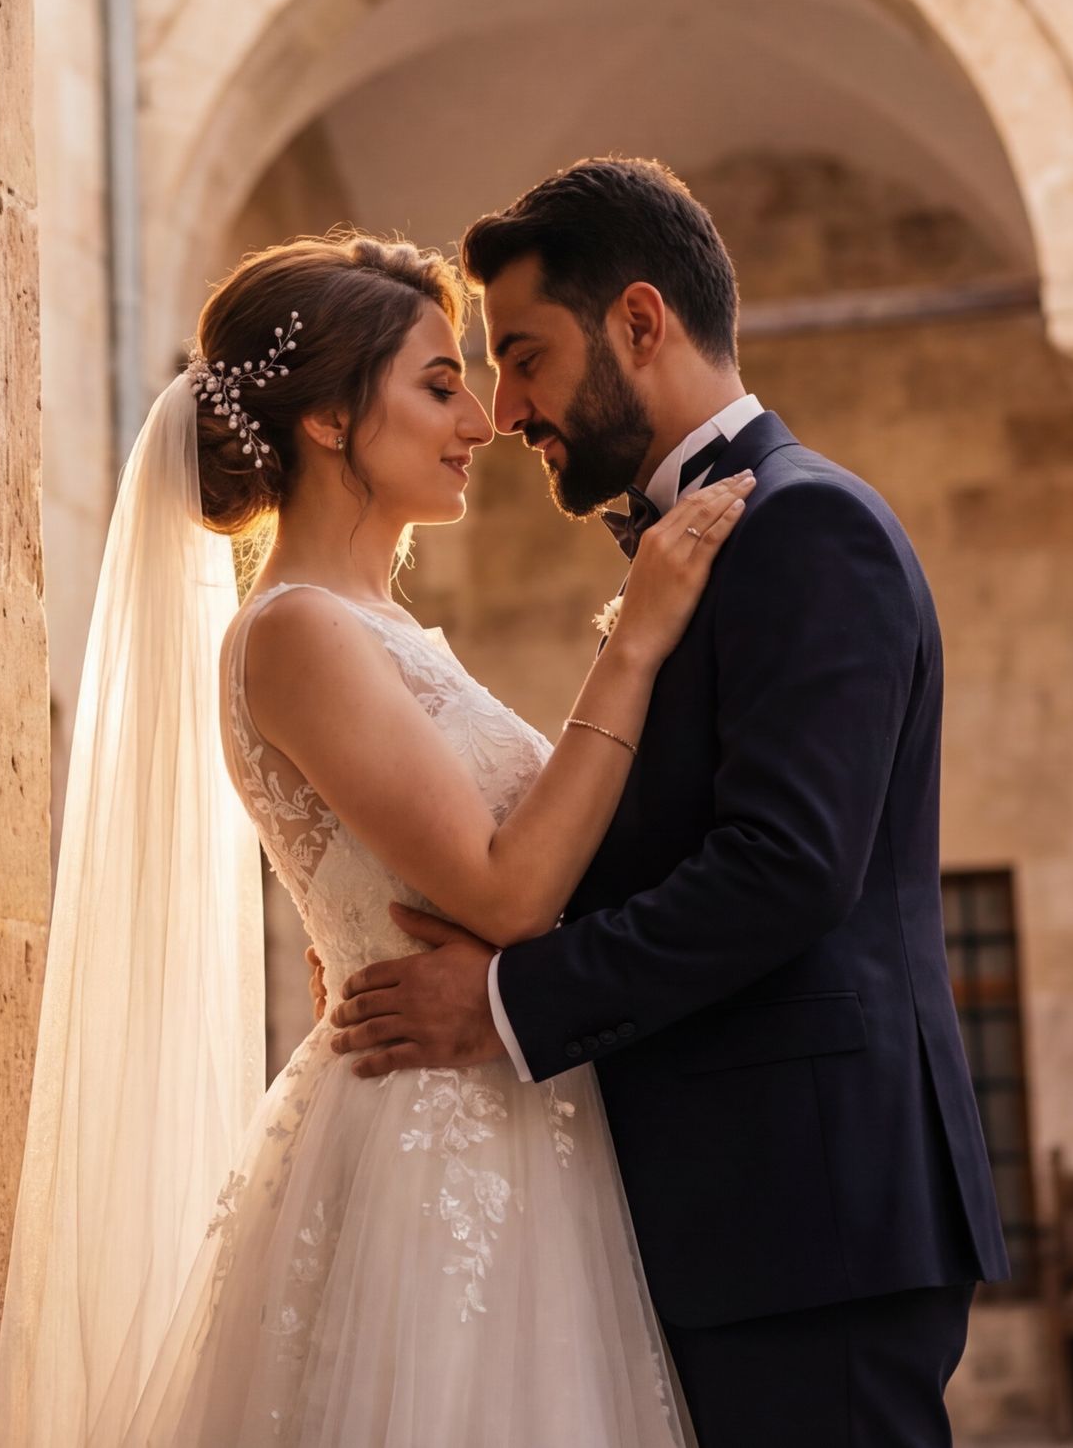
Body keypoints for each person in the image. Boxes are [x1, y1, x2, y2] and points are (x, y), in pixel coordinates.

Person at [0, 230, 744, 1447]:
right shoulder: (296, 632)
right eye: (440, 383)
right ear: (333, 420)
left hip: (514, 1119)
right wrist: (637, 637)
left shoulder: (378, 628)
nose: (482, 421)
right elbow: (507, 895)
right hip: (428, 1140)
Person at [328, 157, 1010, 1445]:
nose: (509, 408)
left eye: (523, 356)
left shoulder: (811, 529)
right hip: (726, 1210)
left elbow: (786, 867)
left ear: (640, 322)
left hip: (810, 1217)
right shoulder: (698, 541)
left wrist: (502, 1002)